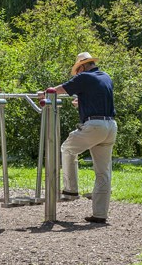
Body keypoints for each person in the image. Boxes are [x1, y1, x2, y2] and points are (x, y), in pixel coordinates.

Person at [43, 52, 117, 224]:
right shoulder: (105, 77)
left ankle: (70, 189)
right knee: (103, 172)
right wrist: (82, 102)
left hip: (95, 126)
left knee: (67, 148)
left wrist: (46, 93)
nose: (77, 74)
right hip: (110, 126)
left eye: (77, 71)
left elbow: (60, 89)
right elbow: (99, 100)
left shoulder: (84, 76)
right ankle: (100, 214)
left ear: (82, 66)